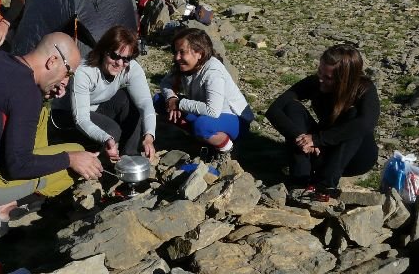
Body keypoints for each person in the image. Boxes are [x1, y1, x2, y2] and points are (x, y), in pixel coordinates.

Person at [0, 32, 104, 238]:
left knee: (42, 111)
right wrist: (71, 159)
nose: (65, 82)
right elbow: (18, 166)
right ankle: (4, 207)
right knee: (77, 154)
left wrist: (43, 95)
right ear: (52, 61)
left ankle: (11, 193)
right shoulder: (26, 93)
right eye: (68, 73)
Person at [265, 44, 379, 201]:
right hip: (322, 149)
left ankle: (325, 185)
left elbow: (366, 124)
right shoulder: (315, 83)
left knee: (354, 117)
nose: (321, 79)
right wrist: (303, 138)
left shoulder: (364, 89)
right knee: (292, 107)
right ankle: (300, 180)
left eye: (328, 78)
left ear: (344, 79)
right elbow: (274, 110)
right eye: (320, 71)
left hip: (355, 158)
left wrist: (318, 139)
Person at [50, 26, 157, 162]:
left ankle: (130, 158)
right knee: (112, 132)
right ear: (103, 51)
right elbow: (81, 119)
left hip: (97, 107)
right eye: (114, 56)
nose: (119, 63)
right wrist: (106, 138)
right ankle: (95, 153)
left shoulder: (130, 67)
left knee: (129, 101)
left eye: (126, 59)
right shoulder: (85, 71)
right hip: (67, 115)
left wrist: (149, 136)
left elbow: (145, 103)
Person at [157, 27, 254, 163]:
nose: (177, 57)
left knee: (202, 125)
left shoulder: (212, 72)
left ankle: (226, 149)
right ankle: (201, 139)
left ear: (199, 54)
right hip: (206, 111)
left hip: (234, 117)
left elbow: (212, 110)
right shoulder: (186, 66)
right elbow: (165, 83)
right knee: (160, 101)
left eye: (182, 52)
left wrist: (179, 104)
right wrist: (171, 98)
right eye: (176, 52)